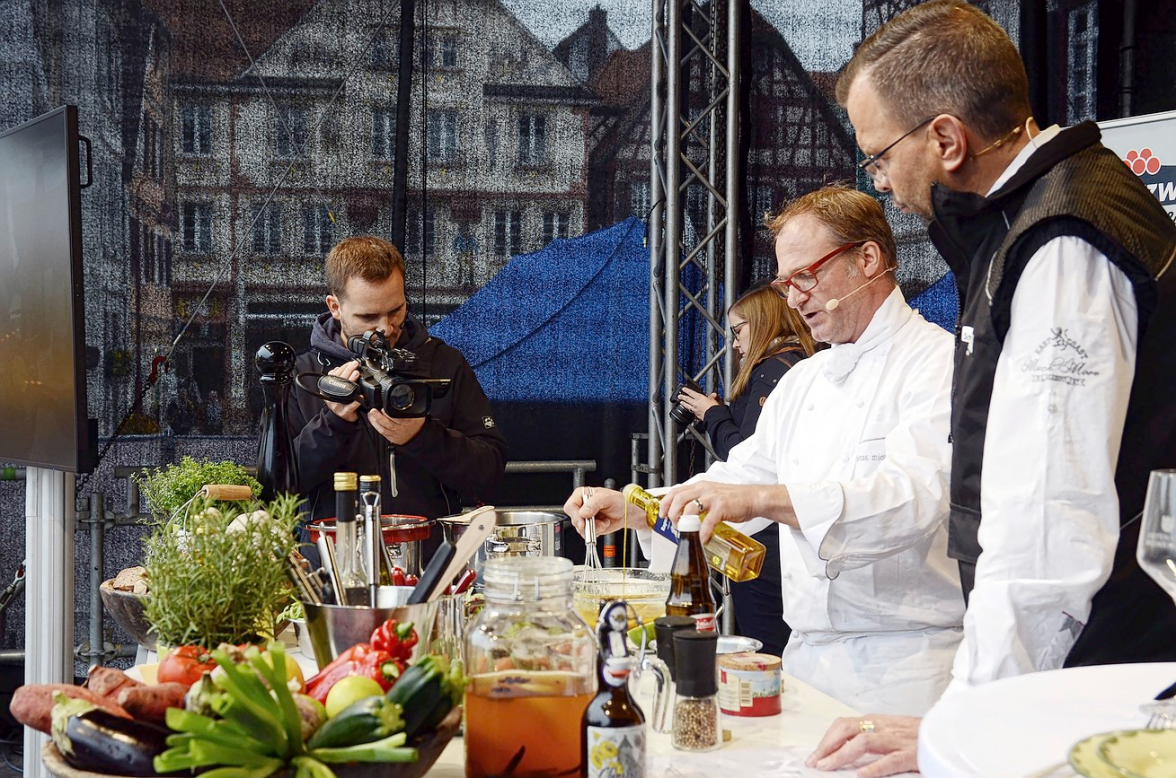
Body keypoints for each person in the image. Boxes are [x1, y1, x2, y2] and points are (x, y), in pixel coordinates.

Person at [809, 3, 1176, 774]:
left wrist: (970, 728)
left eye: (877, 156)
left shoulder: (1059, 245)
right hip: (1088, 676)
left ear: (945, 139)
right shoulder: (1042, 220)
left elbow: (1047, 528)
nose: (878, 179)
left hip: (1099, 685)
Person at [566, 185, 964, 716]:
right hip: (806, 662)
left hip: (908, 671)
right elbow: (737, 477)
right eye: (785, 282)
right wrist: (635, 507)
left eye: (806, 275)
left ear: (868, 259)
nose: (793, 298)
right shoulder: (805, 380)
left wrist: (763, 500)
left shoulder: (937, 363)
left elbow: (912, 499)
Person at [287, 235, 508, 536]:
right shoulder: (303, 374)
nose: (385, 328)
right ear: (335, 306)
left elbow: (490, 473)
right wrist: (332, 424)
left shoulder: (444, 362)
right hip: (332, 560)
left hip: (428, 559)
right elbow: (278, 484)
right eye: (368, 316)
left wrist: (422, 436)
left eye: (396, 310)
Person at [674, 285, 817, 655]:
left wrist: (713, 415)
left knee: (768, 652)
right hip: (787, 539)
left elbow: (750, 460)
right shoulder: (801, 367)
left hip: (767, 539)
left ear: (763, 322)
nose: (735, 345)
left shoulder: (775, 372)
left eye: (738, 331)